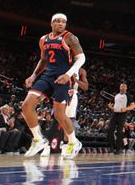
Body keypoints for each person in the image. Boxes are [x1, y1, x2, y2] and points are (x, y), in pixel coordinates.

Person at [23, 13, 85, 159]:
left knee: (59, 114)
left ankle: (73, 142)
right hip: (47, 76)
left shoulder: (70, 37)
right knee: (26, 105)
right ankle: (38, 139)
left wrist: (68, 75)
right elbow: (43, 60)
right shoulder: (43, 39)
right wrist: (33, 75)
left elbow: (81, 58)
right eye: (57, 21)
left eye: (63, 22)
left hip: (64, 78)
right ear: (51, 23)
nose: (60, 23)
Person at [107, 83, 135, 154]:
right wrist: (110, 107)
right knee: (110, 130)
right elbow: (110, 104)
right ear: (119, 87)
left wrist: (126, 108)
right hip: (114, 114)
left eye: (124, 87)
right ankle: (111, 147)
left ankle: (118, 149)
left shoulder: (128, 96)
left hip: (122, 114)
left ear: (126, 88)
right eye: (121, 87)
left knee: (120, 132)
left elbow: (133, 106)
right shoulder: (116, 95)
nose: (122, 88)